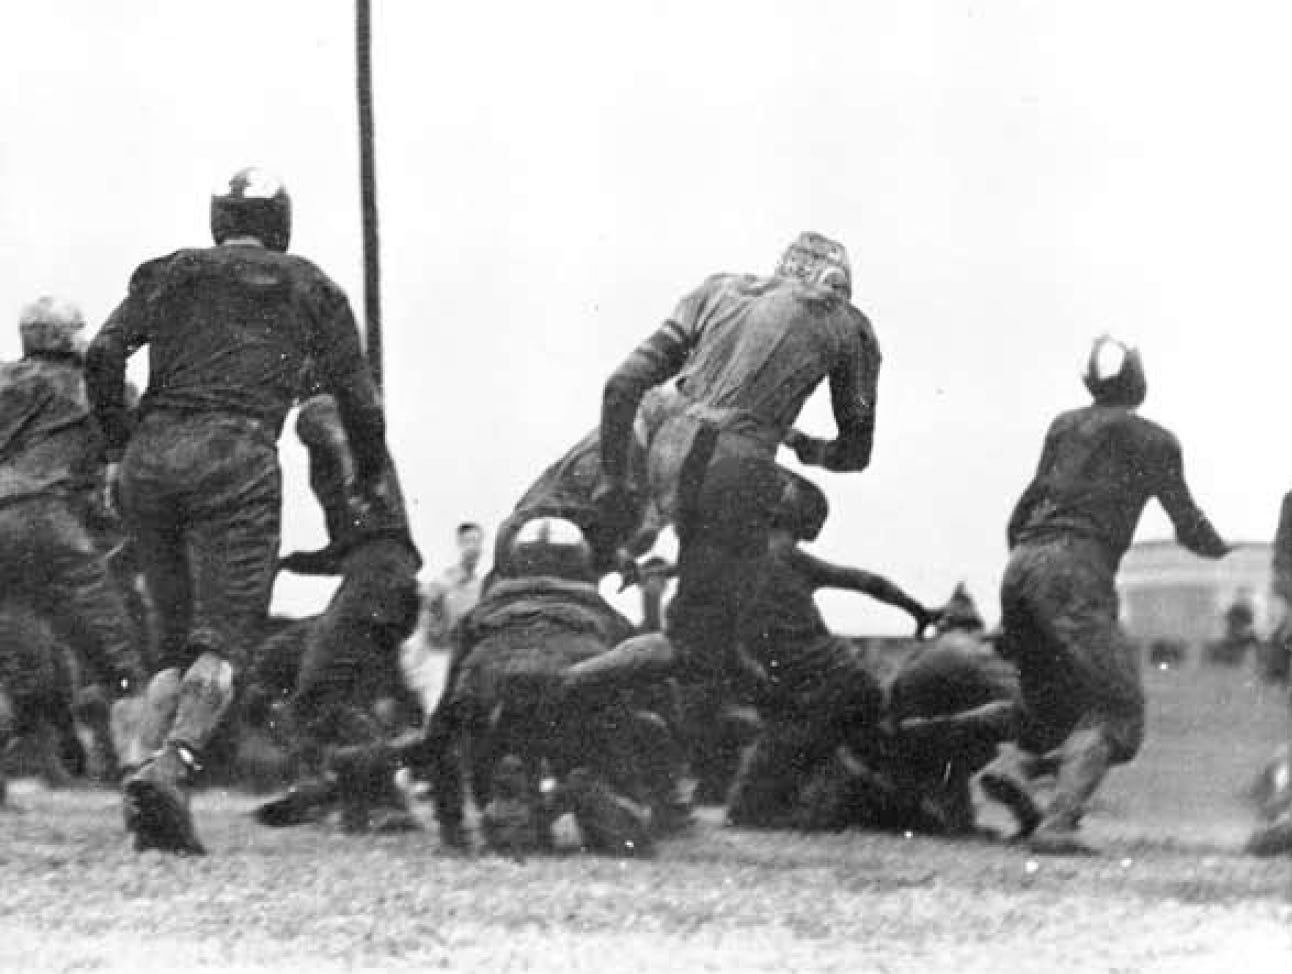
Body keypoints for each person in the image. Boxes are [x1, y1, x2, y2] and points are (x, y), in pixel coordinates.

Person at [85, 167, 389, 855]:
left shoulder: (170, 270)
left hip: (152, 453)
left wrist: (116, 448)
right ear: (280, 222)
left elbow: (103, 353)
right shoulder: (310, 285)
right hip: (237, 454)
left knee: (170, 642)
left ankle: (142, 780)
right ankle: (172, 766)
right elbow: (360, 401)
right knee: (222, 641)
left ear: (219, 217)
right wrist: (369, 474)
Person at [572, 231, 882, 697]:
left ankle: (740, 676)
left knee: (726, 632)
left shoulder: (718, 288)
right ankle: (560, 687)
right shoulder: (848, 323)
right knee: (696, 644)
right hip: (737, 464)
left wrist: (618, 482)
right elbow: (855, 454)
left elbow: (620, 386)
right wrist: (806, 446)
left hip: (667, 453)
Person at [980, 335, 1229, 855]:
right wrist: (1223, 551)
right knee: (1118, 713)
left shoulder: (1063, 427)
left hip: (1022, 564)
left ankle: (1018, 765)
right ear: (1138, 380)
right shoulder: (1156, 441)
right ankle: (1057, 823)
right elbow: (1188, 525)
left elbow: (1021, 512)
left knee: (1050, 704)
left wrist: (1024, 590)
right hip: (1076, 571)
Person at [724, 470, 939, 828]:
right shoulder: (788, 558)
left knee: (749, 811)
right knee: (865, 758)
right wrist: (918, 610)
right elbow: (867, 581)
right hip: (845, 683)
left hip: (813, 694)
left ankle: (862, 798)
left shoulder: (747, 560)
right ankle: (896, 806)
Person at [251, 394, 422, 832]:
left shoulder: (333, 430)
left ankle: (361, 791)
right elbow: (350, 548)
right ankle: (356, 789)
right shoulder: (363, 476)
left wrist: (349, 468)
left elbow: (335, 434)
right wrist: (290, 563)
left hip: (374, 582)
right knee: (311, 676)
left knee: (317, 693)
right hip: (383, 582)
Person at [0, 297, 145, 766]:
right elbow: (129, 463)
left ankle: (45, 723)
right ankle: (139, 774)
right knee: (122, 666)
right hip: (50, 519)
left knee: (18, 659)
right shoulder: (102, 387)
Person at [418, 523, 486, 652]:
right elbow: (424, 624)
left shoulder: (482, 587)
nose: (473, 548)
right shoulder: (442, 582)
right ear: (458, 545)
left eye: (477, 542)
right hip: (443, 654)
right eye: (468, 541)